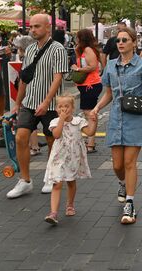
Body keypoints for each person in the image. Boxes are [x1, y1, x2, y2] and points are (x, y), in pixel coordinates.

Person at [91, 27, 142, 224]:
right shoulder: (110, 65)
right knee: (117, 165)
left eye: (125, 40)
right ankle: (123, 183)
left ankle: (130, 204)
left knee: (129, 163)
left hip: (136, 118)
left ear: (134, 43)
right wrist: (96, 108)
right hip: (116, 119)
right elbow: (108, 93)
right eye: (118, 40)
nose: (121, 43)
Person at [6, 14, 70, 198]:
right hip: (29, 102)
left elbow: (58, 77)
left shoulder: (58, 49)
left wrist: (47, 101)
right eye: (31, 27)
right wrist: (17, 103)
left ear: (47, 28)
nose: (33, 30)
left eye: (37, 26)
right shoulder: (31, 49)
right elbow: (24, 78)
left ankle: (51, 177)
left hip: (50, 104)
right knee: (21, 137)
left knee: (52, 140)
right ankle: (25, 180)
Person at [43, 95, 97, 225]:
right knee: (57, 183)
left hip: (73, 157)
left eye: (66, 106)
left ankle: (70, 205)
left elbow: (90, 132)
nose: (63, 109)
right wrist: (61, 119)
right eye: (60, 106)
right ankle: (53, 213)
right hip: (58, 157)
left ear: (72, 108)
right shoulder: (55, 122)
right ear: (56, 109)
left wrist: (94, 121)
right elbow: (56, 135)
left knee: (71, 181)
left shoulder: (78, 121)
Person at [72, 29, 103, 153]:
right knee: (89, 112)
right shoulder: (84, 50)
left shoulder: (88, 50)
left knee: (89, 113)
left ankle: (91, 142)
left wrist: (78, 69)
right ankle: (91, 140)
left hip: (91, 84)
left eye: (77, 37)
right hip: (87, 85)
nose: (76, 39)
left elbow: (93, 66)